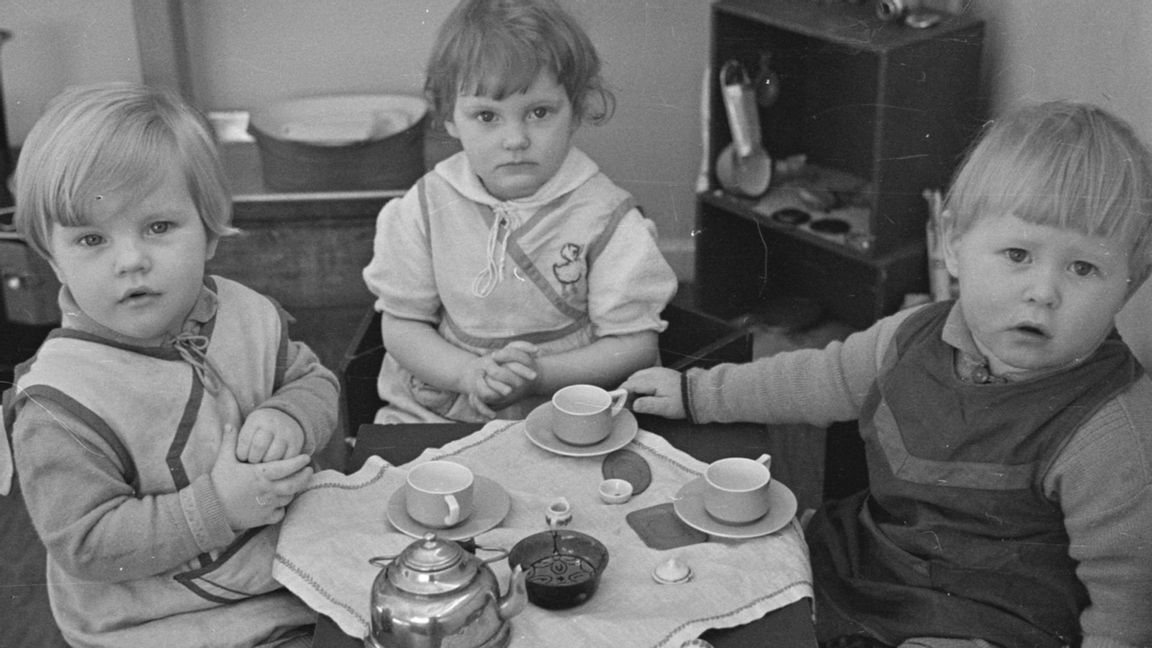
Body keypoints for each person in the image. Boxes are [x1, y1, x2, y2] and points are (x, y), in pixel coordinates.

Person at [622, 101, 1152, 648]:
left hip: (989, 622)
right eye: (1018, 254)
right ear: (954, 245)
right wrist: (699, 392)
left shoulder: (1113, 433)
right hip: (863, 559)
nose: (1044, 292)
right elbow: (815, 381)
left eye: (1083, 268)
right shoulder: (908, 337)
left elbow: (1128, 601)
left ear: (1129, 285)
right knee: (722, 575)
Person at [2, 83, 338, 648]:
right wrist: (220, 507)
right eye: (91, 239)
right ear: (52, 259)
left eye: (158, 227)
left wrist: (291, 415)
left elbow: (315, 381)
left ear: (209, 230)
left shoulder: (243, 313)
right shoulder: (59, 404)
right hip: (159, 622)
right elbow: (87, 544)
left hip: (284, 572)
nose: (131, 260)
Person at [362, 0, 678, 424]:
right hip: (440, 405)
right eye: (487, 116)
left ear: (577, 109)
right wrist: (467, 374)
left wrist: (540, 375)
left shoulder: (608, 217)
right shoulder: (424, 207)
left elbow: (633, 344)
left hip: (566, 405)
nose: (515, 139)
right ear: (450, 117)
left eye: (539, 112)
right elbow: (402, 328)